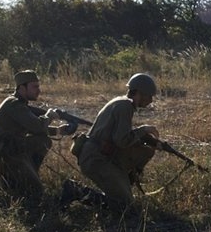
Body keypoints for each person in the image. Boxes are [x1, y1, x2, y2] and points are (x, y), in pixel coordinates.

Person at [61, 73, 159, 215]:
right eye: (148, 96)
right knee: (125, 207)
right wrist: (143, 130)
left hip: (97, 156)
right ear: (138, 93)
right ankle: (76, 191)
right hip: (96, 159)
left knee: (124, 202)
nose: (150, 100)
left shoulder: (121, 102)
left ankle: (116, 191)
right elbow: (122, 141)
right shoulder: (125, 106)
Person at [0, 70, 78, 209]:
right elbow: (37, 126)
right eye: (34, 87)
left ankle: (26, 173)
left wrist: (58, 130)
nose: (38, 90)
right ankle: (14, 182)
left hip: (12, 150)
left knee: (44, 141)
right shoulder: (14, 105)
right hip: (5, 155)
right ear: (22, 87)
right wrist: (50, 115)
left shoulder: (19, 104)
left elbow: (33, 127)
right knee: (36, 192)